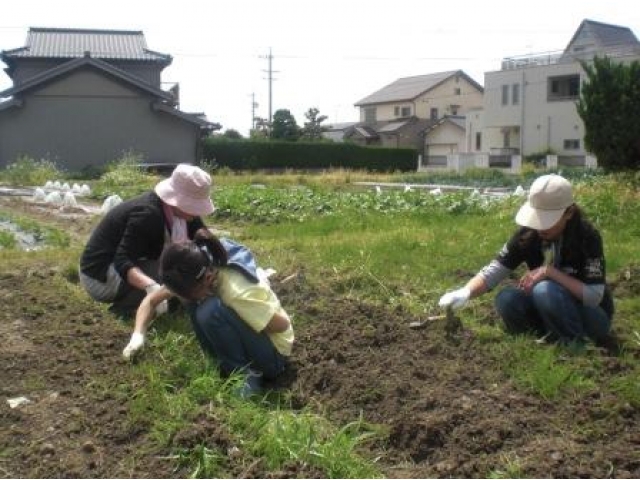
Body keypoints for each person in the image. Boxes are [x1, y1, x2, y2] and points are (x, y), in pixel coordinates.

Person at [438, 173, 614, 346]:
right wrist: (465, 292)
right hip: (547, 308)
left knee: (545, 289)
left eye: (548, 220)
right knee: (506, 298)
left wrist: (549, 272)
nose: (541, 228)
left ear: (569, 212)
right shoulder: (528, 234)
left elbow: (593, 297)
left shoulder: (587, 237)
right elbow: (495, 270)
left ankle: (574, 343)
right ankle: (541, 339)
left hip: (589, 315)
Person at [122, 231, 294, 398]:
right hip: (253, 338)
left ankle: (246, 375)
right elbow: (151, 300)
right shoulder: (195, 269)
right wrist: (137, 336)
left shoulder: (236, 293)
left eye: (186, 293)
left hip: (274, 355)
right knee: (197, 304)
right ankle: (221, 363)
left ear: (206, 279)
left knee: (209, 310)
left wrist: (249, 313)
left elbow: (282, 325)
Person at [79, 163, 215, 316]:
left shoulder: (185, 214)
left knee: (187, 269)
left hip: (126, 267)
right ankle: (127, 308)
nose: (197, 212)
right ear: (177, 200)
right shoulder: (147, 215)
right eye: (194, 206)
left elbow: (204, 242)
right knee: (175, 273)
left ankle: (167, 301)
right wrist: (152, 287)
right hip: (100, 275)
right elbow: (122, 260)